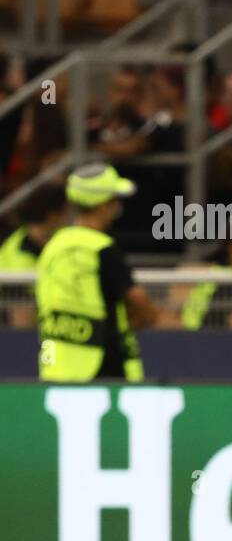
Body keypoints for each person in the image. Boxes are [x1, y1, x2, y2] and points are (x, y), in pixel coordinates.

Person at [35, 164, 158, 382]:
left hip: (57, 366)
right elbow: (139, 302)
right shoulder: (102, 248)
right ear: (102, 205)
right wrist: (145, 318)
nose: (118, 206)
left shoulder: (54, 246)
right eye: (114, 199)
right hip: (103, 366)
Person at [0, 184, 65, 328]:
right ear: (53, 216)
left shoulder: (62, 241)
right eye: (66, 213)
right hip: (19, 333)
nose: (68, 218)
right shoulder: (15, 254)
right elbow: (22, 321)